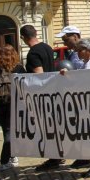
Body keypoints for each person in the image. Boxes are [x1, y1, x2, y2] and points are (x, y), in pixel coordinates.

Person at [59, 39, 90, 177]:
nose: (77, 52)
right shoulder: (88, 63)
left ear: (88, 50)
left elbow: (88, 83)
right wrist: (68, 75)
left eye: (80, 50)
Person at [24, 25, 67, 172]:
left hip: (43, 95)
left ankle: (54, 158)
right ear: (36, 33)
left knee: (47, 128)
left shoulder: (33, 54)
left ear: (23, 38)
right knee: (54, 126)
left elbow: (39, 76)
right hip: (54, 91)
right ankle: (58, 155)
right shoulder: (47, 47)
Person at [0, 44, 25, 171]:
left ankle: (12, 156)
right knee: (10, 131)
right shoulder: (19, 69)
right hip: (15, 103)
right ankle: (4, 160)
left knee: (7, 129)